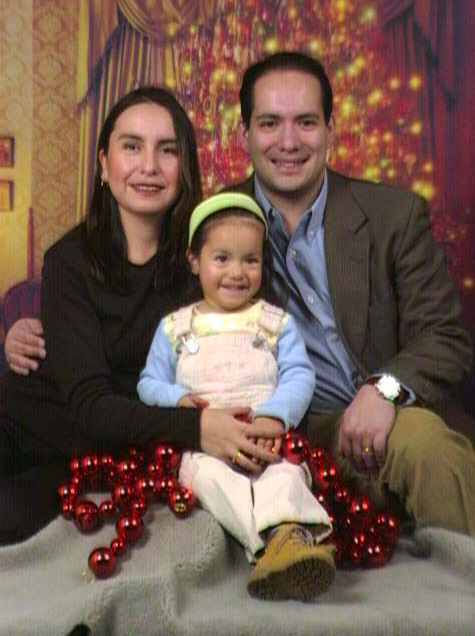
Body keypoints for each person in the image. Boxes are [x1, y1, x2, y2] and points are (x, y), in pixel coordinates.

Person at [5, 52, 475, 537]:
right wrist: (36, 330)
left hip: (383, 418)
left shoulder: (390, 215)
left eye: (306, 122)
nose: (288, 142)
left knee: (423, 443)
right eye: (270, 123)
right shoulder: (216, 227)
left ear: (330, 131)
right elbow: (137, 342)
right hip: (275, 429)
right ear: (245, 135)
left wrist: (384, 390)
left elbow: (443, 336)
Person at [0, 87, 282, 545]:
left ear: (184, 167)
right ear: (104, 164)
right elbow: (90, 406)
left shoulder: (212, 261)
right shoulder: (69, 261)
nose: (149, 166)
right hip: (30, 427)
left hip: (102, 454)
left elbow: (254, 353)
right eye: (131, 146)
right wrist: (197, 428)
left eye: (167, 150)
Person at [137, 191, 335, 600]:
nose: (237, 272)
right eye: (222, 259)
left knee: (286, 476)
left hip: (266, 440)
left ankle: (284, 540)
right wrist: (175, 397)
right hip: (207, 447)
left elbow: (299, 375)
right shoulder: (176, 327)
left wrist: (275, 415)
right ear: (195, 261)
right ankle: (275, 547)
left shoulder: (274, 322)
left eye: (250, 260)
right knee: (208, 479)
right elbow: (148, 382)